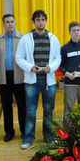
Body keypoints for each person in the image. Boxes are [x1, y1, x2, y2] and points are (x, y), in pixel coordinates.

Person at [16, 10, 61, 149]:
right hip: (31, 81)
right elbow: (19, 57)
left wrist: (51, 67)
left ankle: (49, 136)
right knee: (30, 110)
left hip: (49, 81)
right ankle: (28, 138)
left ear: (46, 21)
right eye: (38, 19)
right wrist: (30, 67)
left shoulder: (53, 38)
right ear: (34, 22)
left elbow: (57, 58)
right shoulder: (26, 39)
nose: (41, 22)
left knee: (48, 110)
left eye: (43, 19)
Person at [0, 14, 26, 142]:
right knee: (6, 106)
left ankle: (24, 131)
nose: (10, 24)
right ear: (3, 24)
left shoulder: (23, 39)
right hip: (4, 77)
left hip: (20, 77)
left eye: (12, 21)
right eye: (7, 22)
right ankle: (9, 131)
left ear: (15, 23)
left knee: (22, 106)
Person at [59, 21, 80, 130]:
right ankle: (68, 132)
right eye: (73, 30)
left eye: (78, 30)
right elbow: (61, 65)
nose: (76, 32)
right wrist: (67, 74)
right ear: (69, 32)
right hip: (70, 83)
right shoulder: (64, 48)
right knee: (69, 109)